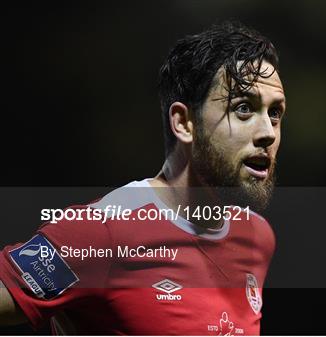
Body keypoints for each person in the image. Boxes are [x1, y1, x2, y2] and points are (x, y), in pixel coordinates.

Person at [0, 21, 285, 335]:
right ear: (184, 123)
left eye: (274, 113)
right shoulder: (103, 232)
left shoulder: (257, 237)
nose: (268, 133)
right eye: (243, 108)